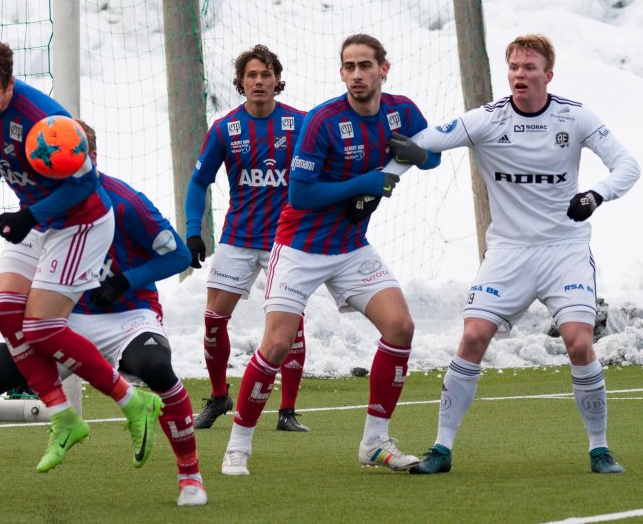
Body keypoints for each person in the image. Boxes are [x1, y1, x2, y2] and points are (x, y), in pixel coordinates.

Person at [0, 120, 207, 506]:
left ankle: (190, 477)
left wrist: (125, 281)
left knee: (158, 369)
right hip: (59, 319)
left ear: (90, 159)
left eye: (73, 161)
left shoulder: (124, 202)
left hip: (126, 316)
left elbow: (178, 254)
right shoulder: (37, 206)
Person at [401, 34, 638, 475]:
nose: (519, 75)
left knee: (579, 342)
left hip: (564, 250)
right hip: (508, 253)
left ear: (548, 75)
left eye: (529, 68)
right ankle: (441, 448)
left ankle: (600, 449)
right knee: (472, 338)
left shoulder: (576, 116)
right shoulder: (487, 120)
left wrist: (595, 195)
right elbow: (425, 141)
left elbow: (628, 167)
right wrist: (391, 171)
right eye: (513, 67)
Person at [220, 34, 439, 476]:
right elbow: (299, 193)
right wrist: (362, 184)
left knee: (401, 327)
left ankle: (375, 443)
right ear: (341, 72)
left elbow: (431, 156)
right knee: (277, 344)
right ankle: (238, 444)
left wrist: (421, 154)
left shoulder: (403, 111)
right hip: (299, 247)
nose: (357, 74)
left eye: (365, 66)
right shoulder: (322, 121)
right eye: (349, 67)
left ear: (383, 69)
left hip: (350, 248)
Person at [0, 34, 161, 474]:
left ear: (9, 83)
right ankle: (63, 416)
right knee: (5, 312)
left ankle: (132, 399)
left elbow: (86, 185)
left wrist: (30, 216)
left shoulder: (47, 119)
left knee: (42, 327)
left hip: (78, 222)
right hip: (38, 218)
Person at [185, 45, 310, 432]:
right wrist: (192, 231)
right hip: (238, 238)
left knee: (291, 326)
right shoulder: (224, 129)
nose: (259, 81)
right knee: (212, 321)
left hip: (285, 242)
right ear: (241, 82)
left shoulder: (300, 124)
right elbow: (199, 182)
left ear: (277, 81)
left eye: (266, 74)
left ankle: (287, 410)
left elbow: (325, 172)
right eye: (251, 75)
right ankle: (220, 396)